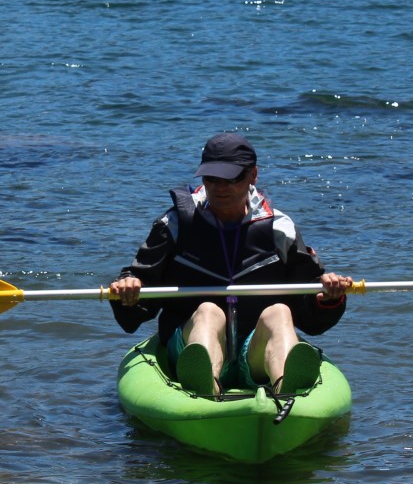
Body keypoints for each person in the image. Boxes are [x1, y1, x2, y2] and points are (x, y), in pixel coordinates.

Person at [108, 133, 354, 397]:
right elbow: (139, 294)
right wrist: (130, 290)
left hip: (255, 351)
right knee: (208, 311)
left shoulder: (279, 229)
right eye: (211, 178)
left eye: (231, 178)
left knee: (280, 311)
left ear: (253, 176)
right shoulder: (176, 225)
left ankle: (286, 392)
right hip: (190, 339)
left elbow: (311, 313)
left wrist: (328, 296)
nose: (219, 187)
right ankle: (206, 388)